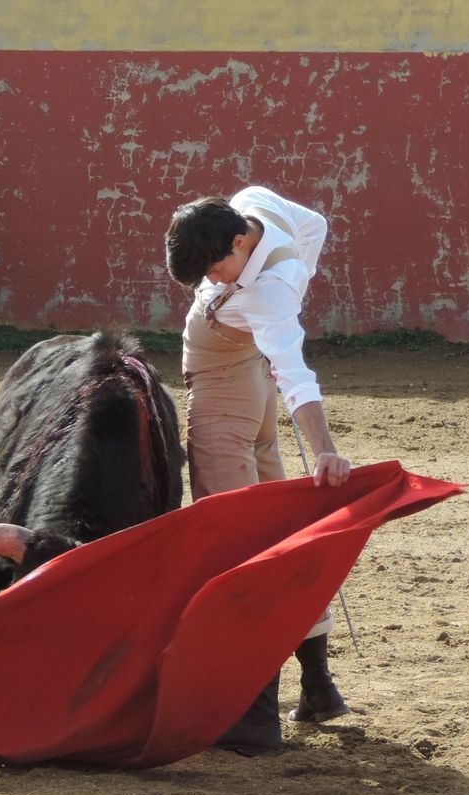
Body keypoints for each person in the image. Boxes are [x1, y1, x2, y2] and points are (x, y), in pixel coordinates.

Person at [164, 185, 352, 756]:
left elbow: (295, 373)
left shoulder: (269, 293)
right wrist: (297, 284)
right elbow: (316, 224)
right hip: (250, 376)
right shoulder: (253, 202)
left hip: (228, 390)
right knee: (279, 527)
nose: (212, 280)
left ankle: (253, 713)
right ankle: (317, 684)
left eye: (215, 269)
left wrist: (324, 448)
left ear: (240, 242)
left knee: (237, 538)